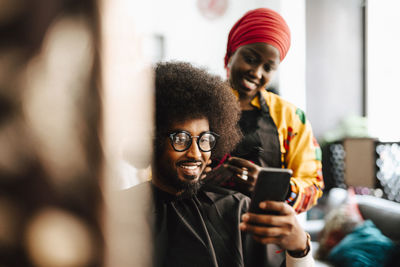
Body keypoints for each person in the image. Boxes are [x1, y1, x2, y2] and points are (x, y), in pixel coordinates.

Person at [123, 61, 314, 267]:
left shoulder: (237, 209)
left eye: (204, 139)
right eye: (180, 139)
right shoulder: (118, 210)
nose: (196, 153)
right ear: (152, 140)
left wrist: (300, 247)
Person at [215, 7, 324, 214]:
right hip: (201, 234)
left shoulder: (291, 118)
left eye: (268, 67)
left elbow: (314, 186)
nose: (256, 73)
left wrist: (270, 185)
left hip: (264, 236)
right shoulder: (199, 106)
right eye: (251, 59)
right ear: (231, 52)